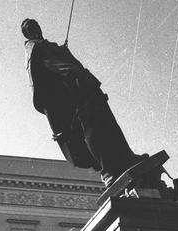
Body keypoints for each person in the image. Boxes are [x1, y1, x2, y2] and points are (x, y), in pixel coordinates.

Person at [21, 18, 147, 187]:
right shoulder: (38, 48)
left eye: (36, 26)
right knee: (92, 127)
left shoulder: (46, 46)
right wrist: (76, 73)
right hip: (74, 94)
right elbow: (56, 65)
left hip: (81, 88)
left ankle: (125, 158)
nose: (37, 29)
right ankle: (109, 170)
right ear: (28, 33)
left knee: (107, 123)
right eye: (32, 28)